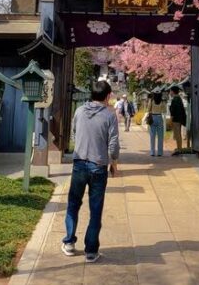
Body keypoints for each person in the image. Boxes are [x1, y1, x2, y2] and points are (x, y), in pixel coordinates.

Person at [62, 79, 120, 263]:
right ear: (108, 96)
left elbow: (73, 134)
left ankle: (69, 242)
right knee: (95, 209)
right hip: (98, 166)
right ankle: (91, 251)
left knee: (73, 204)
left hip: (79, 164)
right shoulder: (110, 116)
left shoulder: (79, 111)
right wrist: (114, 163)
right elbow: (113, 145)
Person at [142, 91, 167, 157]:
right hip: (159, 117)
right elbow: (164, 110)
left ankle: (152, 152)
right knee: (160, 136)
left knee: (152, 136)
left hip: (153, 117)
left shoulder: (152, 100)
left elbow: (148, 109)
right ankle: (160, 152)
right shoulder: (162, 101)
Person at [168, 85, 187, 155]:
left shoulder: (175, 99)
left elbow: (173, 111)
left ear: (173, 91)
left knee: (177, 134)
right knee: (178, 134)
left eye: (170, 91)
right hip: (179, 119)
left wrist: (170, 120)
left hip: (176, 119)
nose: (169, 92)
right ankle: (179, 148)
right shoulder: (179, 99)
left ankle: (179, 149)